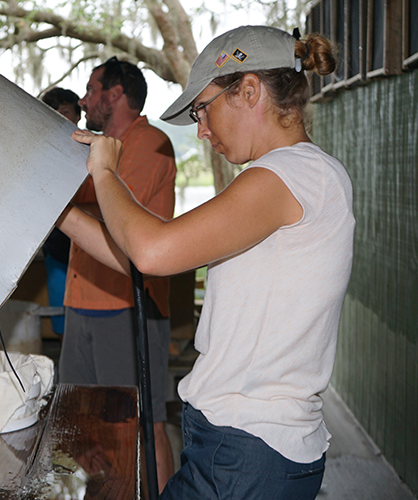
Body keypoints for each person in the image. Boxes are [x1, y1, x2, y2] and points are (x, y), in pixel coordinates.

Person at [60, 26, 355, 499]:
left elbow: (151, 250)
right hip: (243, 444)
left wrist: (105, 171)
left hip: (247, 447)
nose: (201, 130)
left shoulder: (290, 175)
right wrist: (59, 213)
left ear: (251, 90)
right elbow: (146, 255)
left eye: (202, 110)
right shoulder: (299, 178)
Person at [57, 56, 177, 490]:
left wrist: (61, 186)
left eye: (92, 90)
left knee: (143, 423)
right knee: (85, 426)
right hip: (81, 302)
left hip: (128, 308)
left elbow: (122, 209)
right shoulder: (100, 148)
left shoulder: (150, 143)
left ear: (115, 95)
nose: (85, 100)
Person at [40, 87, 82, 335]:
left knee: (88, 317)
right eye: (52, 113)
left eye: (65, 112)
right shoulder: (41, 155)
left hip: (90, 250)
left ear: (78, 115)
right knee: (62, 320)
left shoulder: (95, 149)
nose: (60, 118)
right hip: (55, 249)